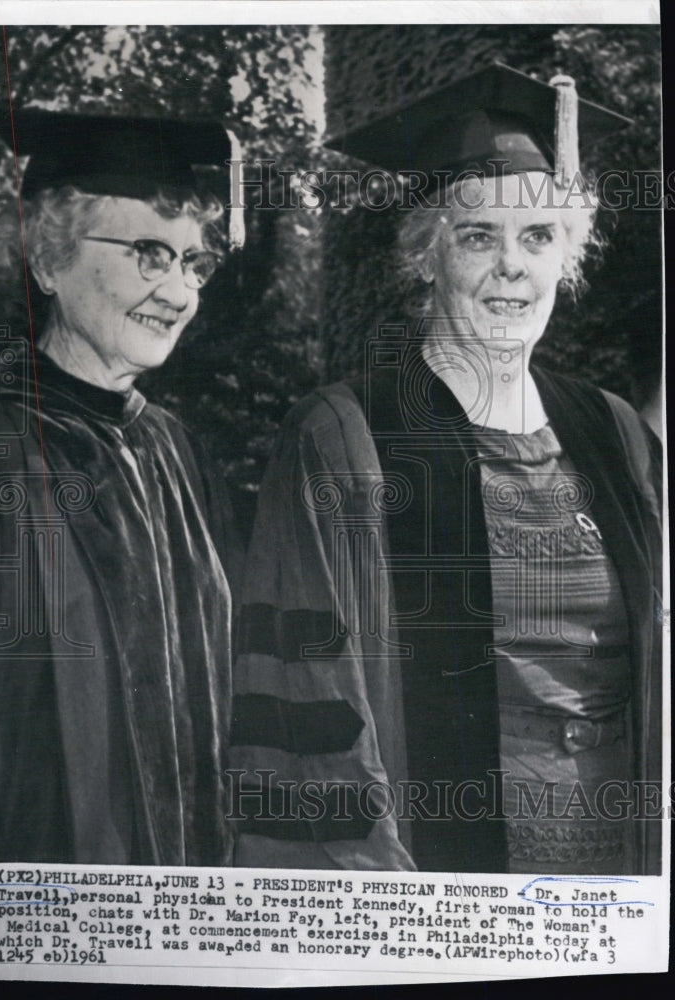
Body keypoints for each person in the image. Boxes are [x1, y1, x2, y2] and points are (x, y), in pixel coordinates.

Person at [229, 65, 663, 874]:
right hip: (442, 874)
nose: (512, 266)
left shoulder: (617, 436)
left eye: (537, 237)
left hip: (623, 861)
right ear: (427, 253)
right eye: (478, 236)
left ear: (566, 255)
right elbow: (303, 711)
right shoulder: (343, 437)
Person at [0, 105, 243, 865]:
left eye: (193, 263)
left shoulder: (176, 450)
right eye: (148, 255)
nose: (179, 293)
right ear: (47, 259)